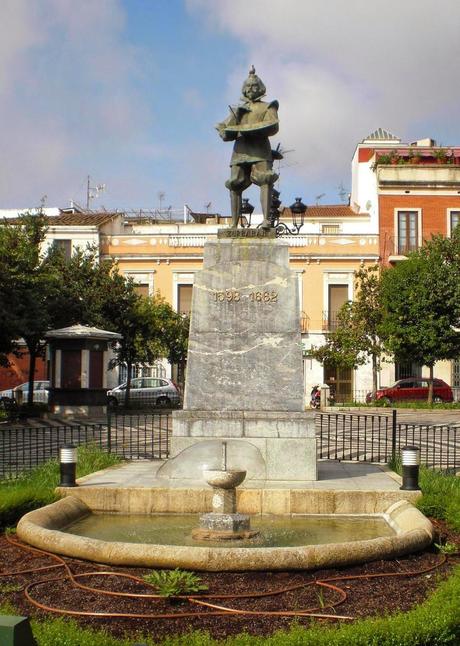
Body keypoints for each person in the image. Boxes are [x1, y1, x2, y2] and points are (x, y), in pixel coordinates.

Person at [216, 66, 279, 229]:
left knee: (265, 181)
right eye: (248, 87)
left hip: (260, 150)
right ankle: (234, 224)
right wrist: (237, 116)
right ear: (244, 90)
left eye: (254, 86)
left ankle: (266, 220)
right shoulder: (238, 110)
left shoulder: (268, 106)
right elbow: (225, 133)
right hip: (240, 152)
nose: (251, 89)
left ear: (260, 89)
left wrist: (249, 129)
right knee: (234, 184)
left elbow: (273, 126)